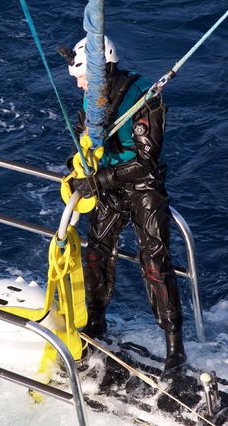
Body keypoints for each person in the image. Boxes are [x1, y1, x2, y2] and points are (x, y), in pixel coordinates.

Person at [60, 36, 187, 378]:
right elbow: (86, 142)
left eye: (82, 77)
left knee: (155, 263)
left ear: (103, 70)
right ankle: (95, 321)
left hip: (143, 186)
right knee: (95, 253)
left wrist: (100, 180)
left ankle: (175, 347)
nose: (79, 84)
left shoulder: (144, 97)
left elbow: (147, 160)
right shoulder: (92, 98)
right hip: (107, 186)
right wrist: (77, 170)